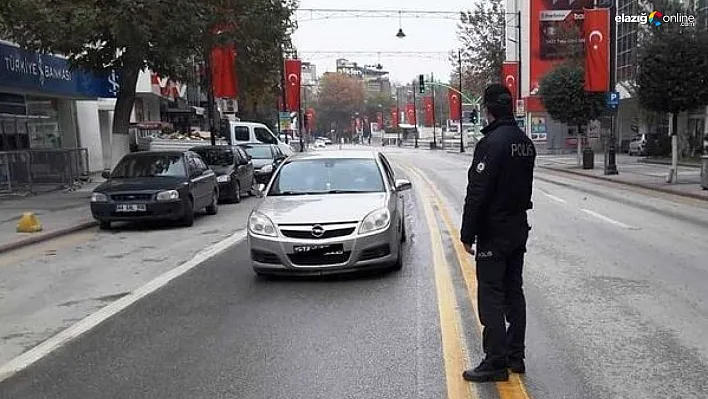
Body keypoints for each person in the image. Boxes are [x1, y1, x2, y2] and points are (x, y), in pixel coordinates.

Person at [460, 84, 536, 383]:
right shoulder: (524, 142)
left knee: (491, 294)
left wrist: (468, 233)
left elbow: (477, 191)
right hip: (518, 226)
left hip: (495, 230)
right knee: (514, 292)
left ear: (488, 110)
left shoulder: (492, 143)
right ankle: (516, 356)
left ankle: (495, 362)